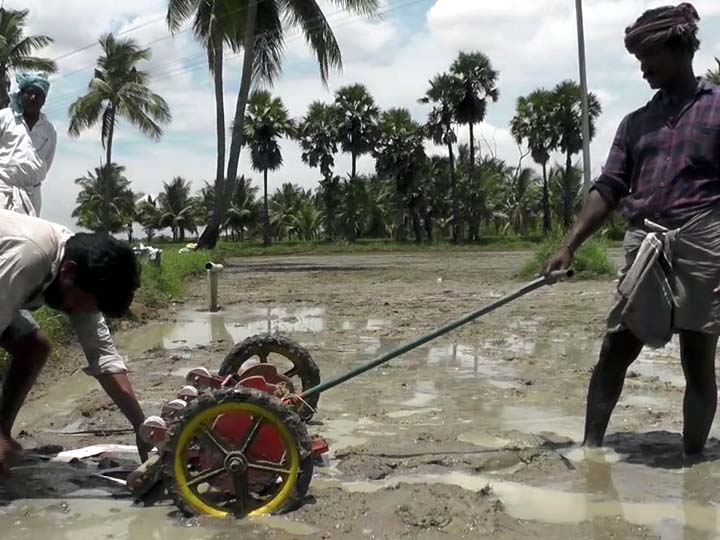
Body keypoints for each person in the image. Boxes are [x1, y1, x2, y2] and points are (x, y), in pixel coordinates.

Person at [546, 2, 720, 455]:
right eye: (638, 59)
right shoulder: (635, 123)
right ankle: (590, 449)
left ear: (678, 48)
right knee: (616, 348)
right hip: (646, 245)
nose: (642, 68)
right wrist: (570, 245)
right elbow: (608, 187)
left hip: (704, 242)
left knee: (698, 359)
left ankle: (693, 459)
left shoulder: (718, 110)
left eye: (648, 57)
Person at [0, 209, 149, 472]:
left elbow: (103, 355)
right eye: (84, 304)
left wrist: (142, 426)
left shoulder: (80, 270)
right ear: (68, 272)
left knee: (33, 347)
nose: (82, 313)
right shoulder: (26, 258)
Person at [0, 72, 57, 216]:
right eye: (30, 93)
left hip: (31, 197)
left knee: (26, 237)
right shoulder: (5, 117)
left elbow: (46, 163)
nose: (33, 98)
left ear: (44, 100)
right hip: (2, 190)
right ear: (21, 94)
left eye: (39, 95)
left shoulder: (49, 130)